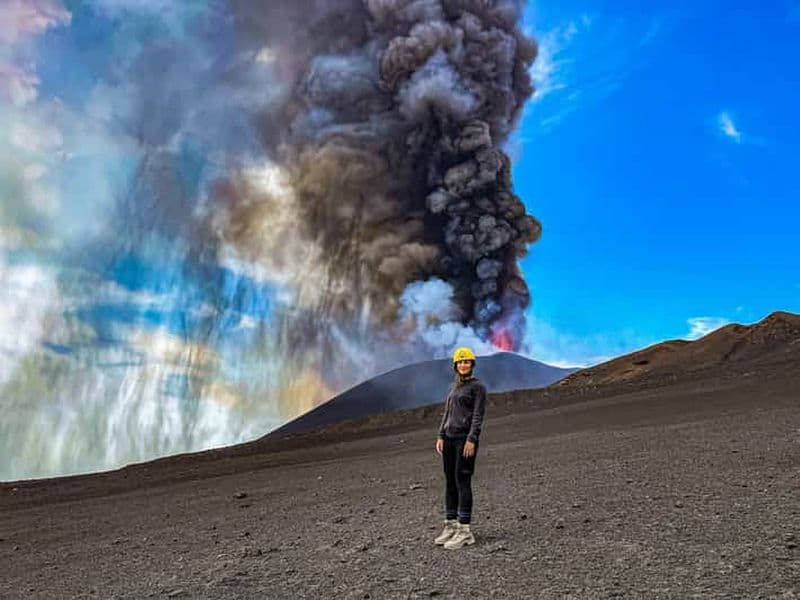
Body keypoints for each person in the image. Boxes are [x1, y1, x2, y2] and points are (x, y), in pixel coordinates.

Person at [433, 346, 487, 549]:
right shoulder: (454, 387)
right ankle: (451, 525)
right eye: (460, 362)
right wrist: (440, 435)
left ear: (472, 364)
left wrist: (472, 439)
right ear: (455, 365)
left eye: (467, 361)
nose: (463, 365)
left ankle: (465, 530)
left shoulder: (477, 387)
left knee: (462, 480)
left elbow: (477, 415)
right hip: (449, 439)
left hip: (464, 440)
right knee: (450, 482)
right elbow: (447, 412)